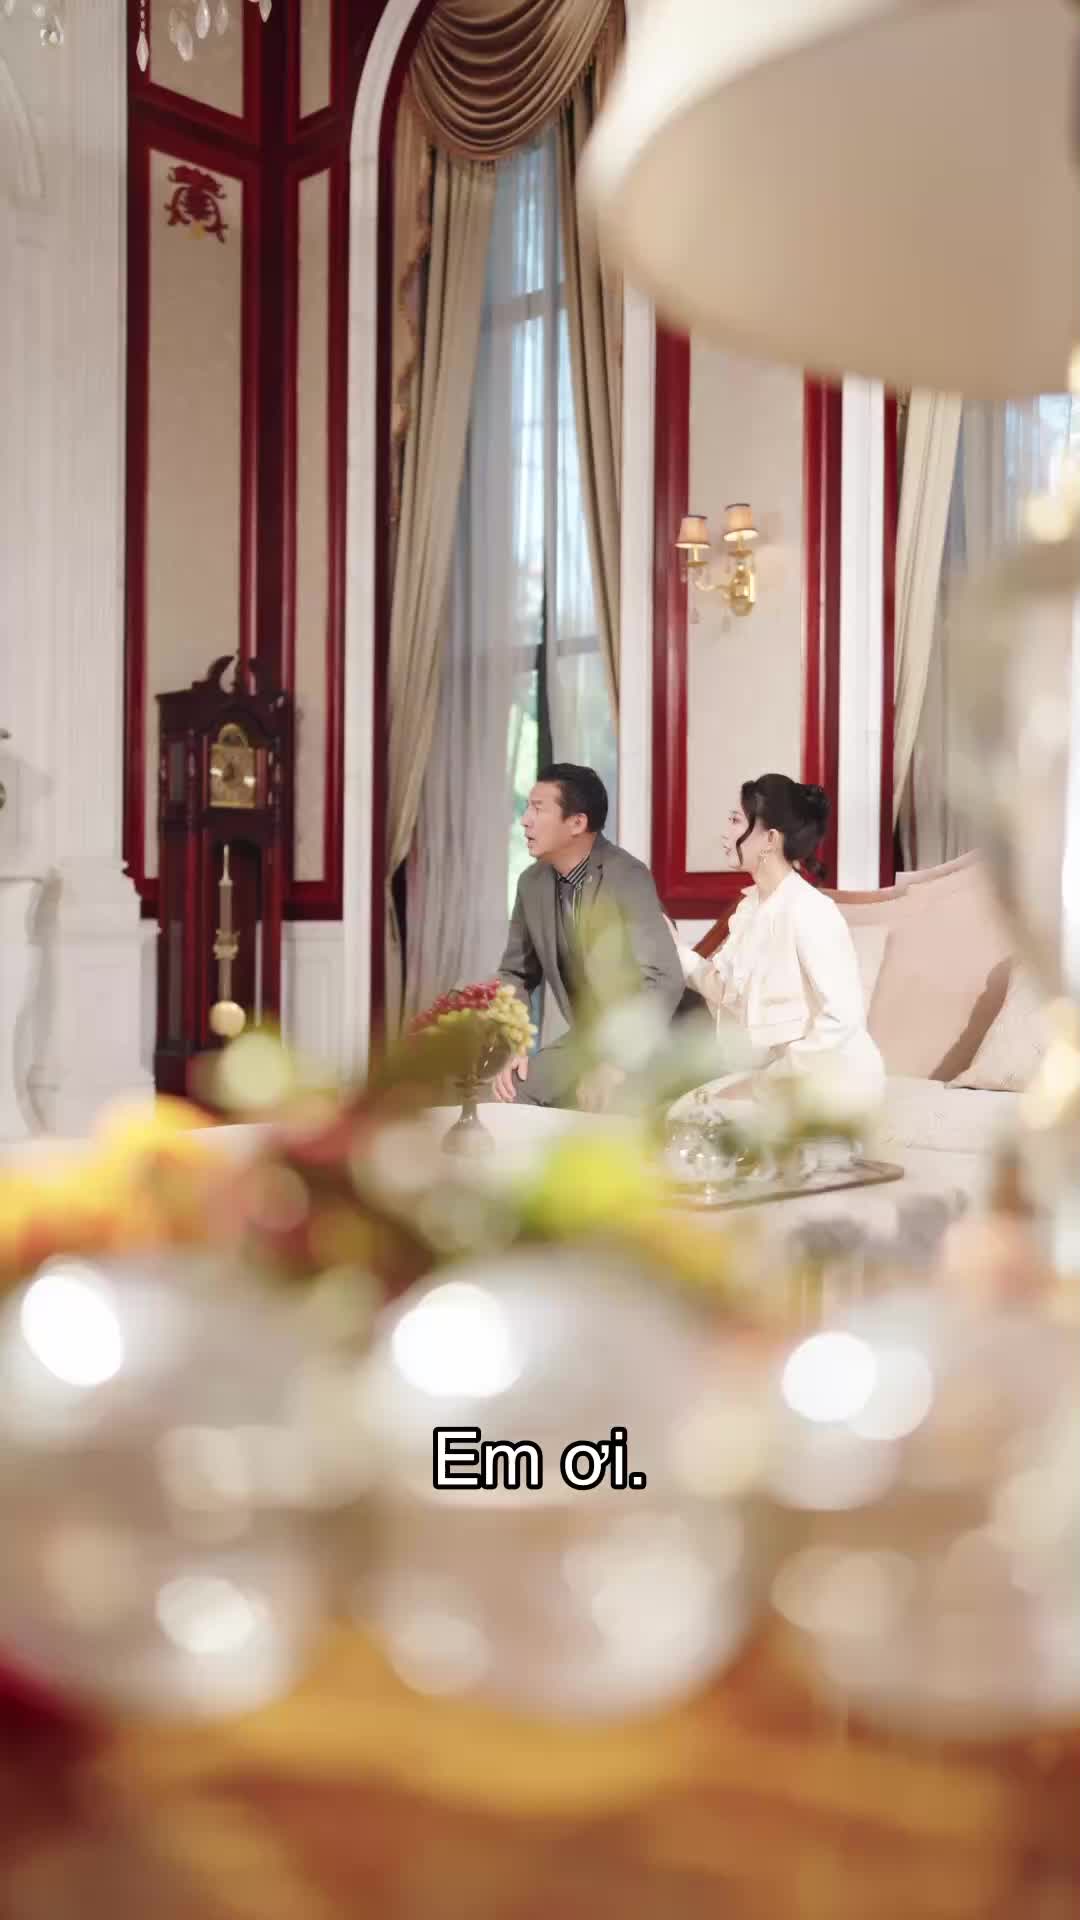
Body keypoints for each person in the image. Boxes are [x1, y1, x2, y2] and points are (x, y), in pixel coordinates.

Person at [673, 774, 885, 1110]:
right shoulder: (751, 907)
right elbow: (725, 989)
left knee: (699, 1119)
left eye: (735, 820)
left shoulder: (810, 910)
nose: (725, 833)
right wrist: (674, 949)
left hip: (826, 1082)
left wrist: (766, 1081)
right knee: (686, 1113)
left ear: (770, 838)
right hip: (773, 1077)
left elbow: (842, 1020)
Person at [494, 763, 683, 1110]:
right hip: (587, 1042)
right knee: (506, 1092)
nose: (525, 820)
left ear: (577, 823)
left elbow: (664, 978)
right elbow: (515, 973)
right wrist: (514, 1042)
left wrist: (618, 1063)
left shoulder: (627, 876)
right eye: (528, 807)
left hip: (652, 1041)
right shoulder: (531, 883)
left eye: (538, 808)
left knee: (610, 1103)